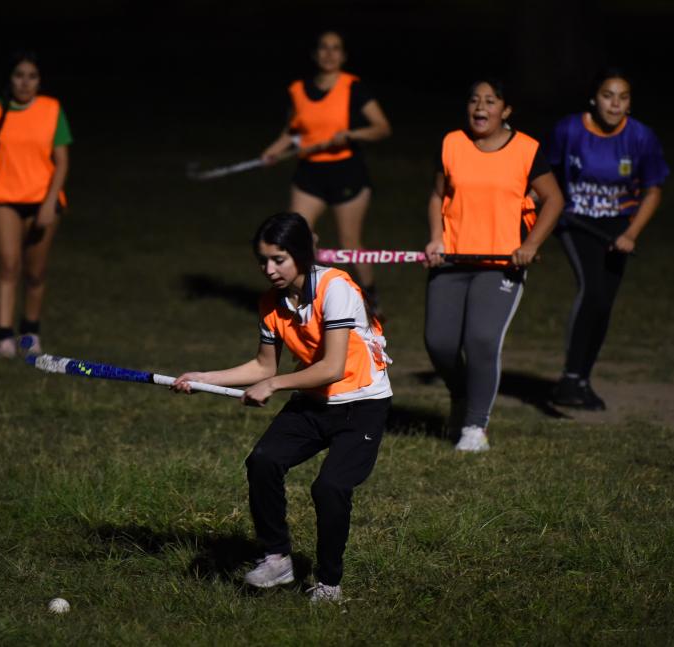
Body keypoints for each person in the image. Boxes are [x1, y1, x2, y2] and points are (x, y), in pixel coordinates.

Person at [173, 212, 393, 603]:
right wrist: (203, 377)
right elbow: (263, 366)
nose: (269, 269)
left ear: (301, 254)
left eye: (279, 259)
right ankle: (276, 557)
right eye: (263, 260)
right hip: (314, 401)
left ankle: (329, 583)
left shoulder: (335, 288)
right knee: (263, 461)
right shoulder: (271, 303)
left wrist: (273, 385)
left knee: (330, 487)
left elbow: (332, 367)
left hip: (361, 405)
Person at [423, 79, 564, 452]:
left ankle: (475, 426)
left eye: (490, 101)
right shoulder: (452, 143)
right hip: (452, 260)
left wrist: (530, 245)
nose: (480, 107)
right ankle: (461, 395)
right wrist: (436, 238)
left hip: (501, 264)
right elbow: (438, 195)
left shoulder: (526, 149)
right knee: (438, 343)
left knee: (482, 339)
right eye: (474, 100)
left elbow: (554, 200)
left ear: (506, 110)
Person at [548, 69, 669, 410]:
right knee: (591, 290)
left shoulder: (641, 137)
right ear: (593, 98)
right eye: (607, 95)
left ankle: (582, 381)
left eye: (623, 97)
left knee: (604, 303)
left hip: (617, 228)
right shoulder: (568, 130)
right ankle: (569, 378)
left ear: (630, 103)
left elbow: (653, 190)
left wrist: (630, 233)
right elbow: (544, 173)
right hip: (575, 221)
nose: (615, 104)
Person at [260, 31, 391, 316]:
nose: (329, 54)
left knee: (349, 242)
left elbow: (382, 127)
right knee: (296, 238)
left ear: (343, 55)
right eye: (324, 48)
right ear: (314, 53)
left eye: (336, 48)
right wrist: (273, 150)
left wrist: (351, 135)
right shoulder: (298, 89)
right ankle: (304, 301)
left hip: (347, 173)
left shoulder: (353, 87)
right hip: (310, 174)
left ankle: (371, 298)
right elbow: (292, 131)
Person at [0, 52, 71, 358]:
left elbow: (61, 161)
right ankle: (3, 336)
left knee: (35, 271)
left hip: (42, 199)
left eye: (32, 76)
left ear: (40, 80)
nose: (25, 83)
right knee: (8, 263)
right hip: (3, 198)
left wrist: (49, 202)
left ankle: (30, 332)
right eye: (19, 75)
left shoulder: (51, 109)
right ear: (9, 79)